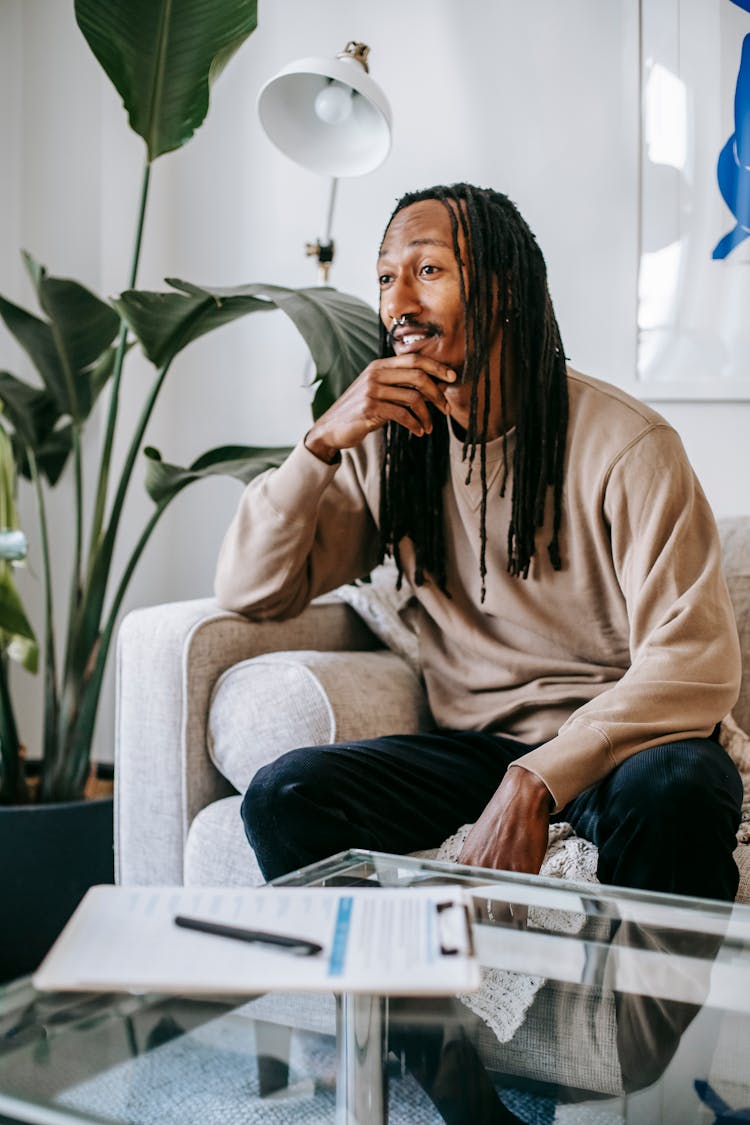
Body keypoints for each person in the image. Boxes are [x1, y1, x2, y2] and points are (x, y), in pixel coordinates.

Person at [215, 182, 743, 903]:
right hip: (477, 750)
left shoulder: (629, 445)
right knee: (286, 794)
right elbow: (250, 588)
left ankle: (645, 1017)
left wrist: (538, 778)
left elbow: (696, 662)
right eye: (384, 278)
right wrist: (319, 444)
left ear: (503, 292)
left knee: (681, 783)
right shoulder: (390, 449)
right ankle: (409, 1010)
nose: (398, 301)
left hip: (620, 749)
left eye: (427, 270)